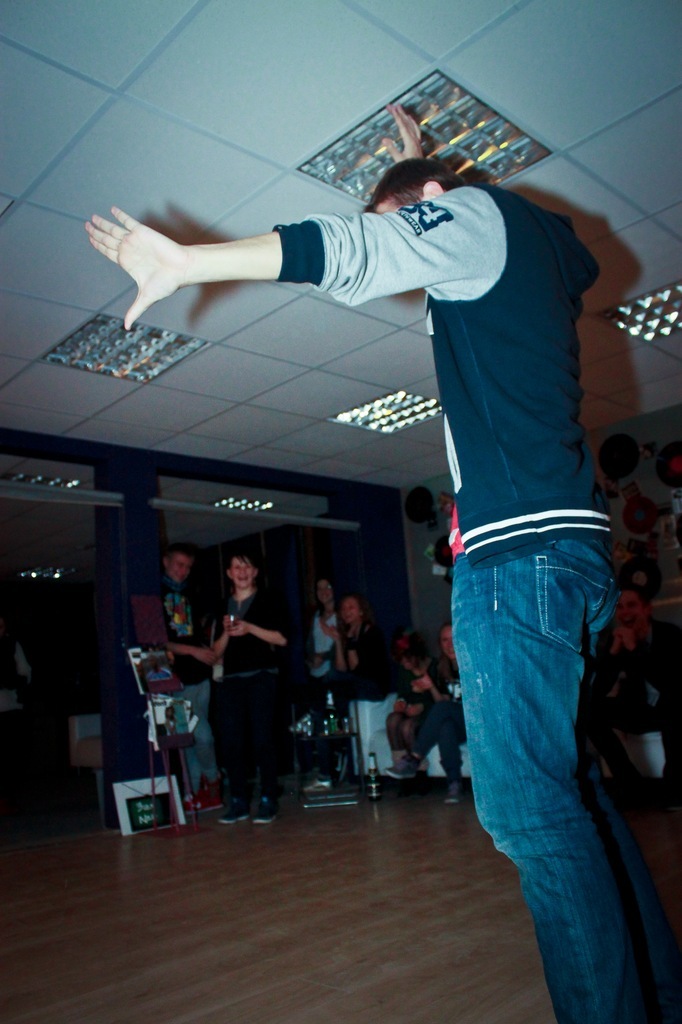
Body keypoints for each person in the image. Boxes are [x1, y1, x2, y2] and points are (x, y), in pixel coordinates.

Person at [85, 105, 682, 1022]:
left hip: (518, 555)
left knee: (530, 816)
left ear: (437, 202)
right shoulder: (528, 256)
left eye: (417, 220)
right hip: (570, 555)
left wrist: (189, 262)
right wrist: (417, 162)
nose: (415, 253)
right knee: (572, 798)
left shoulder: (478, 217)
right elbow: (435, 217)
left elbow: (363, 250)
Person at [212, 550, 288, 824]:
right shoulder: (223, 605)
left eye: (247, 567)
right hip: (231, 679)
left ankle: (268, 799)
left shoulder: (270, 599)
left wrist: (249, 628)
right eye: (236, 567)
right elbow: (215, 652)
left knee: (262, 739)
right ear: (229, 574)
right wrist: (227, 632)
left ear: (255, 572)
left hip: (261, 676)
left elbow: (281, 639)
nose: (242, 572)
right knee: (231, 741)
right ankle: (238, 801)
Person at [589, 585, 682, 807]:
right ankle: (631, 785)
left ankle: (675, 790)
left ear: (647, 609)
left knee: (675, 707)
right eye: (620, 607)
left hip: (671, 706)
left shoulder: (669, 634)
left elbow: (670, 685)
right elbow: (599, 690)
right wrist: (613, 654)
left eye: (632, 605)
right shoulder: (618, 639)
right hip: (640, 708)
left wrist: (634, 649)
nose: (625, 612)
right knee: (590, 711)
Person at [303, 591, 390, 794]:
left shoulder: (371, 632)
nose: (346, 611)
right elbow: (342, 667)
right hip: (353, 686)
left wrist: (348, 642)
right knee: (324, 711)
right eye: (343, 609)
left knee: (331, 681)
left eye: (351, 607)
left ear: (361, 611)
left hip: (373, 687)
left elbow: (358, 670)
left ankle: (316, 710)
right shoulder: (347, 634)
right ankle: (326, 771)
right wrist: (338, 641)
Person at [161, 542, 222, 812]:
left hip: (199, 675)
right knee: (189, 738)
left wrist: (206, 650)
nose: (183, 571)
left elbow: (201, 630)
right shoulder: (155, 594)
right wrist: (194, 651)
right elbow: (159, 641)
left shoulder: (193, 592)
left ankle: (203, 787)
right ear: (166, 562)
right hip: (172, 678)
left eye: (188, 567)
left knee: (199, 735)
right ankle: (202, 786)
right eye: (179, 564)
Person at [386, 623, 467, 804]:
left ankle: (414, 757)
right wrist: (431, 687)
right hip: (457, 722)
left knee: (442, 712)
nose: (450, 644)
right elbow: (442, 703)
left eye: (453, 639)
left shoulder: (472, 664)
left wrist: (423, 703)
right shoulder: (443, 667)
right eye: (445, 640)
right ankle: (454, 783)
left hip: (476, 720)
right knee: (446, 727)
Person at [385, 628, 448, 772]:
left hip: (430, 715)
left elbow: (443, 703)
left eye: (407, 660)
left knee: (407, 727)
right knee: (392, 720)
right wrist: (401, 702)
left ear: (417, 655)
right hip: (410, 711)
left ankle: (419, 770)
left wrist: (422, 707)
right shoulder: (404, 670)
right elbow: (402, 693)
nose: (404, 664)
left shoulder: (436, 667)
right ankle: (400, 765)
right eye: (401, 660)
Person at [0, 613, 31, 815]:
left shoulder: (11, 645)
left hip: (9, 707)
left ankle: (6, 799)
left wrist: (11, 681)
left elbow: (25, 673)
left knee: (9, 757)